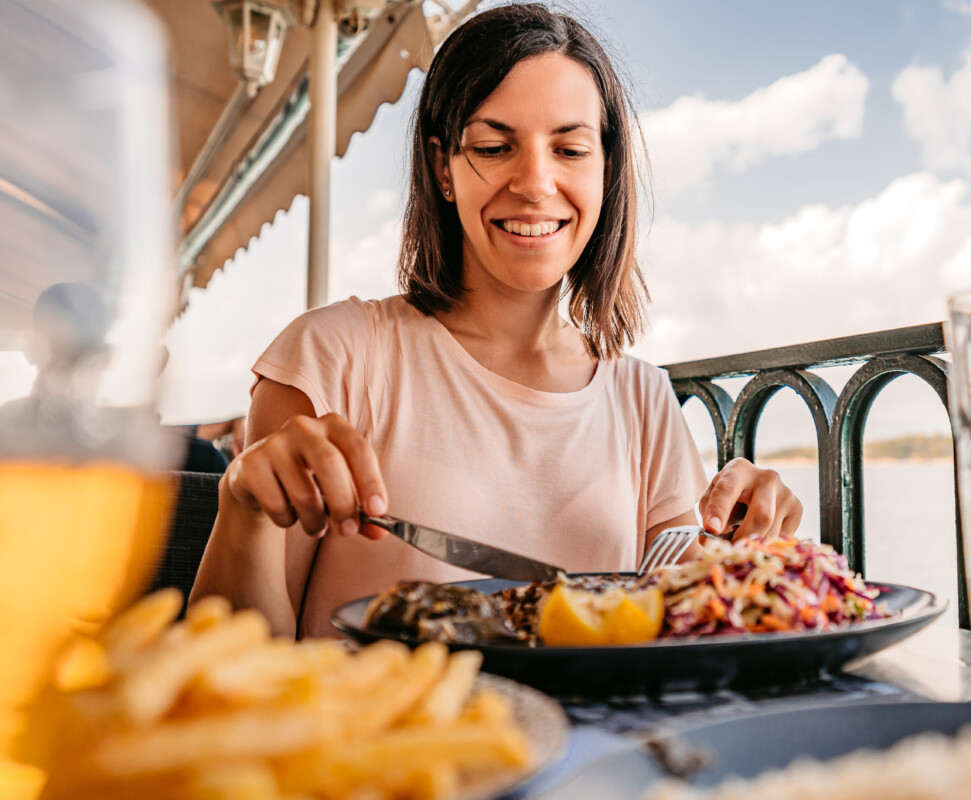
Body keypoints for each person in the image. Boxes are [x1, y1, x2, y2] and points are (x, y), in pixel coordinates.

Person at [191, 3, 803, 639]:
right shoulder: (332, 358)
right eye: (493, 146)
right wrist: (245, 510)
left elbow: (680, 616)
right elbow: (229, 664)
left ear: (605, 170)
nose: (536, 183)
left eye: (569, 148)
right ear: (442, 168)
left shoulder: (644, 399)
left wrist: (746, 541)